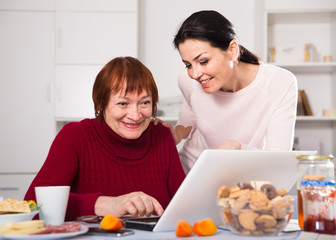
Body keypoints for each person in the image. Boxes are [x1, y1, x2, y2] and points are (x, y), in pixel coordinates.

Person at [24, 56, 185, 220]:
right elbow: (32, 204)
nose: (136, 115)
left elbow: (186, 205)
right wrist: (108, 205)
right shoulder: (75, 136)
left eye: (145, 103)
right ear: (102, 104)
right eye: (123, 103)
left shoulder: (162, 136)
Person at [160, 10, 297, 173]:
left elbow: (279, 158)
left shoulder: (279, 83)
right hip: (191, 173)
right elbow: (191, 112)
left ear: (232, 50)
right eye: (188, 65)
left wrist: (237, 149)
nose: (194, 74)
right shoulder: (187, 81)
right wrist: (178, 133)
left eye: (203, 61)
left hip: (240, 177)